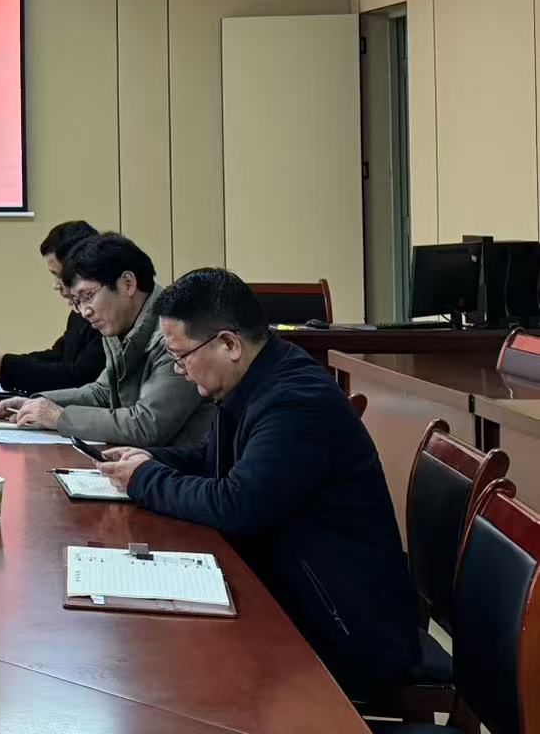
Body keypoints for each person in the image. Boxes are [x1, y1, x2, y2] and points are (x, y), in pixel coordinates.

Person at [97, 268, 420, 695]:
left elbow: (237, 505)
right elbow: (210, 460)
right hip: (293, 593)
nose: (179, 370)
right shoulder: (255, 380)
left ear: (229, 344)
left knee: (179, 676)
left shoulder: (294, 401)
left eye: (181, 356)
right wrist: (148, 459)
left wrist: (145, 480)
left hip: (344, 629)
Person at [0, 232, 211, 448]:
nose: (84, 311)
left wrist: (60, 417)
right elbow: (102, 393)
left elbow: (147, 425)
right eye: (77, 301)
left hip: (183, 464)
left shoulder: (175, 333)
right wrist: (38, 403)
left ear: (127, 284)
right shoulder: (119, 325)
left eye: (88, 296)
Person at [0, 219, 104, 390]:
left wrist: (4, 366)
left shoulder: (106, 316)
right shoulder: (78, 313)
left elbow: (79, 378)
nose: (56, 285)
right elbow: (58, 357)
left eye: (59, 275)